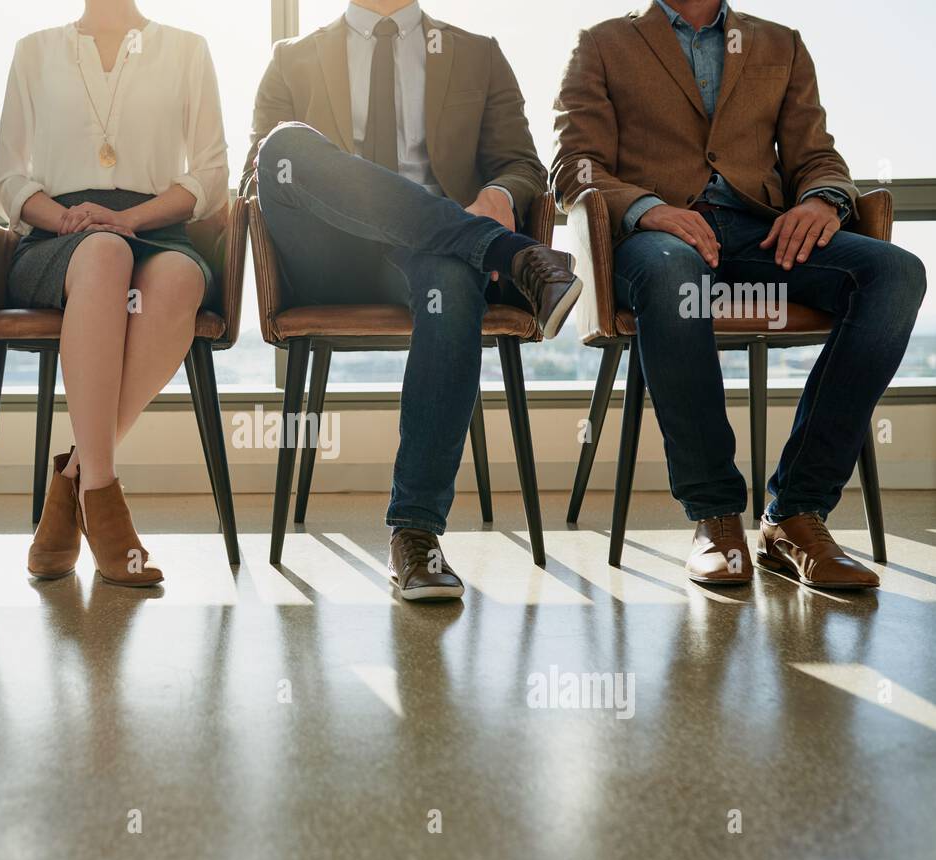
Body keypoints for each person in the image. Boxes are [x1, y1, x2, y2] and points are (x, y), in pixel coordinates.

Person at [553, 0, 925, 589]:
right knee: (677, 277)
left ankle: (796, 515)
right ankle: (715, 517)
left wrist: (821, 199)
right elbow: (574, 167)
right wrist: (651, 211)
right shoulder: (603, 43)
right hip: (656, 241)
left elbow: (817, 156)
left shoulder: (782, 43)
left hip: (759, 232)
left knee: (896, 274)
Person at [242, 0, 580, 602]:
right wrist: (491, 236)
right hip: (331, 256)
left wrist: (501, 192)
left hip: (433, 256)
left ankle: (416, 536)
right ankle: (505, 253)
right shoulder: (292, 58)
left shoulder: (477, 53)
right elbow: (260, 177)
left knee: (451, 289)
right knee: (283, 147)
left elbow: (522, 166)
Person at [0, 0, 229, 587]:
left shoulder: (187, 47)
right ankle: (103, 496)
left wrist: (133, 220)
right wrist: (71, 220)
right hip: (57, 234)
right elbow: (6, 177)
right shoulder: (34, 49)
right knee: (104, 253)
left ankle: (74, 478)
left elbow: (211, 175)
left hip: (156, 227)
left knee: (177, 278)